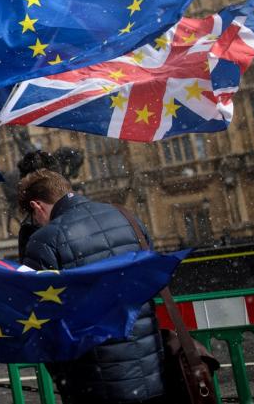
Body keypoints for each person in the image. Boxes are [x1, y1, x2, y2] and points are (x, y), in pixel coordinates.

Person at [20, 169, 164, 404]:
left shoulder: (45, 240)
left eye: (33, 216)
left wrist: (63, 377)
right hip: (151, 371)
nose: (35, 223)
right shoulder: (127, 218)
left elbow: (41, 317)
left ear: (37, 206)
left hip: (92, 380)